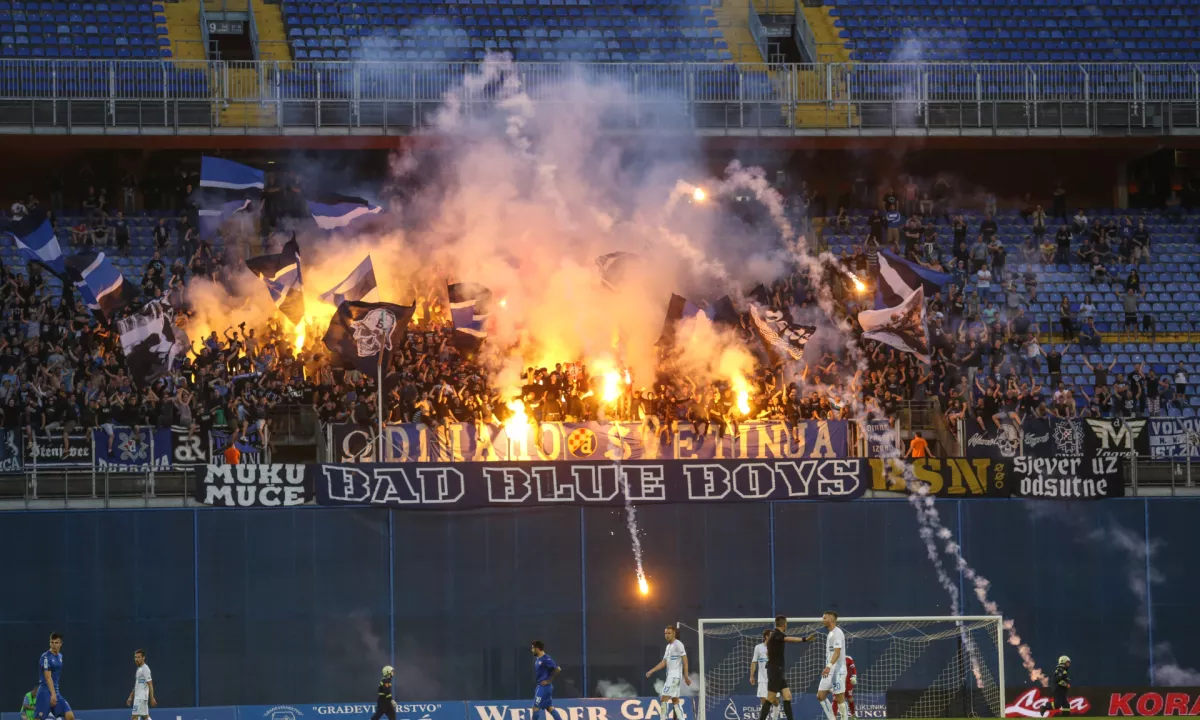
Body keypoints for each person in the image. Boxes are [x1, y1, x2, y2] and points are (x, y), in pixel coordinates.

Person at [758, 616, 815, 720]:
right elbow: (788, 639)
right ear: (785, 625)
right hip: (775, 671)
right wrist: (804, 639)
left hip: (777, 670)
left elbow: (767, 652)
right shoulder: (777, 634)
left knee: (787, 696)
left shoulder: (774, 635)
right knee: (770, 698)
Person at [646, 625, 689, 719]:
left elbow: (685, 660)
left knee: (663, 699)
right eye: (665, 633)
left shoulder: (678, 644)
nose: (667, 635)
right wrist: (652, 671)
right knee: (675, 701)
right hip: (671, 677)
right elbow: (663, 662)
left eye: (669, 633)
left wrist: (686, 676)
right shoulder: (668, 647)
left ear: (674, 633)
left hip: (675, 677)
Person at [34, 633, 74, 720]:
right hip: (45, 692)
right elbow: (48, 677)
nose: (54, 645)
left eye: (56, 643)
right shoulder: (45, 657)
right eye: (52, 642)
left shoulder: (60, 656)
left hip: (56, 692)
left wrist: (55, 694)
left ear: (60, 644)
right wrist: (53, 694)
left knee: (70, 716)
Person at [817, 611, 848, 720]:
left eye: (824, 618)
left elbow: (837, 652)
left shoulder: (837, 633)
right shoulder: (830, 634)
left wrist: (828, 666)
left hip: (837, 670)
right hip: (829, 670)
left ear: (830, 619)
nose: (823, 620)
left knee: (840, 698)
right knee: (820, 696)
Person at [530, 640, 560, 720]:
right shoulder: (538, 660)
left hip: (544, 687)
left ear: (537, 648)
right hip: (543, 687)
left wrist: (548, 680)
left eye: (533, 648)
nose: (532, 650)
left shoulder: (545, 659)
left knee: (535, 708)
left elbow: (557, 669)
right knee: (549, 708)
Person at [127, 649, 155, 720]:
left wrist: (152, 698)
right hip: (140, 697)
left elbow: (150, 684)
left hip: (141, 698)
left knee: (134, 717)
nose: (136, 659)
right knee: (145, 717)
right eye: (135, 657)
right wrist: (131, 696)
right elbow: (137, 685)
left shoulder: (145, 669)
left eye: (139, 657)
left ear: (143, 658)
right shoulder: (139, 669)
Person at [750, 630, 773, 714]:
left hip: (773, 678)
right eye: (771, 635)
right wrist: (752, 676)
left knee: (776, 701)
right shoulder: (758, 647)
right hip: (762, 679)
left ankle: (774, 718)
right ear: (766, 637)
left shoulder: (776, 647)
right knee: (763, 700)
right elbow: (754, 662)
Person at [831, 656, 857, 720]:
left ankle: (853, 715)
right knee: (835, 699)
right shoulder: (834, 658)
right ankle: (833, 717)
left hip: (847, 683)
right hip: (837, 683)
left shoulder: (848, 658)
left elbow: (853, 669)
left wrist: (854, 677)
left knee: (850, 699)